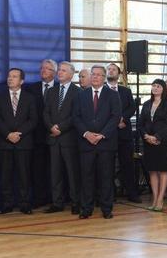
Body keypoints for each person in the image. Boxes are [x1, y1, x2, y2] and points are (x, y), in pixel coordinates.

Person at [73, 65, 121, 219]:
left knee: (106, 177)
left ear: (104, 77)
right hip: (86, 143)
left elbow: (115, 117)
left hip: (105, 144)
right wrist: (86, 134)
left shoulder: (113, 95)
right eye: (93, 74)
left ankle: (106, 209)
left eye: (99, 74)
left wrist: (102, 135)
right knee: (86, 178)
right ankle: (86, 208)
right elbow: (76, 117)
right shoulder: (81, 95)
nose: (95, 77)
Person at [0, 68, 38, 215]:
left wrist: (19, 133)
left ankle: (25, 204)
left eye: (14, 76)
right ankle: (7, 204)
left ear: (22, 81)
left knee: (24, 175)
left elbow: (33, 120)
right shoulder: (0, 97)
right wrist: (8, 134)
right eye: (9, 76)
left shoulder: (30, 98)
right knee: (5, 176)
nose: (10, 79)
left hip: (23, 142)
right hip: (4, 142)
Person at [43, 62, 81, 215]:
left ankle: (76, 202)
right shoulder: (51, 91)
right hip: (53, 138)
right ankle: (57, 203)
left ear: (71, 74)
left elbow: (76, 115)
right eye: (59, 70)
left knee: (72, 173)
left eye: (63, 70)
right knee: (55, 173)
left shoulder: (78, 92)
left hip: (69, 139)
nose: (60, 72)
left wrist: (60, 128)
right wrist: (51, 127)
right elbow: (45, 113)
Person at [138, 79, 167, 211]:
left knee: (163, 170)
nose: (155, 88)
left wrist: (157, 137)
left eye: (158, 86)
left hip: (163, 141)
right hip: (148, 141)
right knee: (152, 171)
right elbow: (141, 124)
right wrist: (146, 136)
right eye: (153, 85)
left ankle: (160, 199)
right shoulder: (147, 104)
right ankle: (154, 198)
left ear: (163, 89)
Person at [106, 63, 141, 203]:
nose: (111, 71)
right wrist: (115, 121)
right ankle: (110, 194)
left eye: (113, 69)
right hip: (108, 134)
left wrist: (123, 119)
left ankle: (132, 193)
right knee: (107, 166)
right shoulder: (101, 90)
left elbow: (132, 107)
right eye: (108, 69)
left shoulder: (125, 91)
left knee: (127, 165)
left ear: (118, 74)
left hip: (124, 133)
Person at [26, 59, 57, 208]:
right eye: (42, 68)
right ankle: (39, 198)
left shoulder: (61, 88)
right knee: (37, 169)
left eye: (47, 68)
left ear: (54, 73)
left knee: (55, 169)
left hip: (56, 135)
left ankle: (55, 198)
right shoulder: (31, 89)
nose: (43, 70)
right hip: (36, 136)